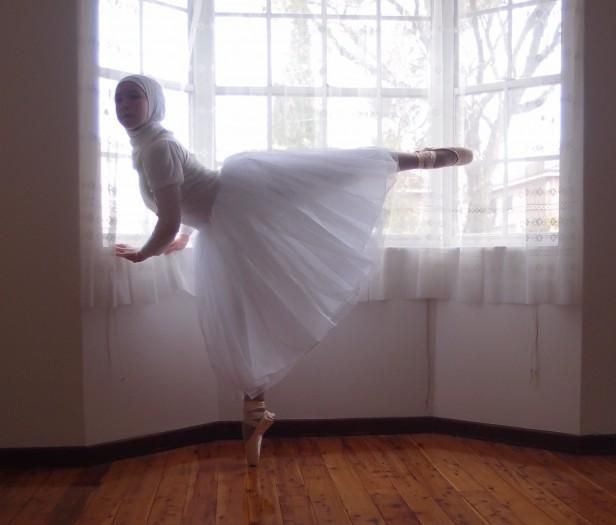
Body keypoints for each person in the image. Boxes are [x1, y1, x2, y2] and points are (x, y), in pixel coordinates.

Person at [113, 74, 472, 466]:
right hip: (223, 229)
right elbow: (186, 201)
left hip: (241, 200)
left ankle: (421, 159)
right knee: (245, 321)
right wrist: (186, 235)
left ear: (153, 102)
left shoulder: (158, 147)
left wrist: (145, 253)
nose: (125, 106)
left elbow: (168, 218)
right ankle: (255, 413)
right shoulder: (147, 146)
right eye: (118, 99)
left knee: (324, 177)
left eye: (134, 97)